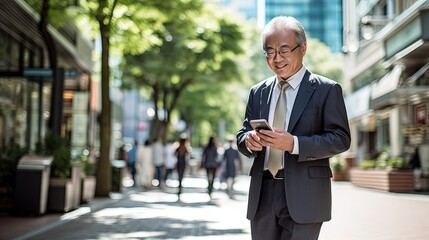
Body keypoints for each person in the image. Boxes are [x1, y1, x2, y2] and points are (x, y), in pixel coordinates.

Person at [236, 16, 351, 240]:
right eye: (270, 52)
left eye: (284, 50)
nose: (276, 58)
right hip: (262, 195)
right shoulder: (257, 92)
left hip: (305, 196)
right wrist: (248, 140)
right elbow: (241, 135)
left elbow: (340, 138)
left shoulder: (327, 90)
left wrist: (294, 144)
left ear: (303, 48)